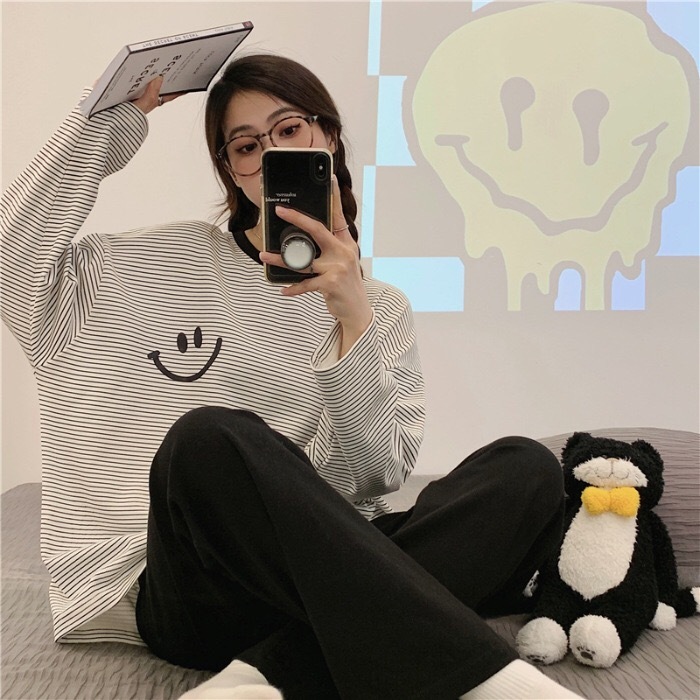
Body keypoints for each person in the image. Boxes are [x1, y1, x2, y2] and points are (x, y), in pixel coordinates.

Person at [0, 52, 581, 700]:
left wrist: (352, 322)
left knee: (527, 471)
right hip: (189, 587)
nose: (271, 154)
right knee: (209, 440)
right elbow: (7, 256)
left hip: (314, 573)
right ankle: (492, 678)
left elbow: (372, 478)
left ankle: (267, 673)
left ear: (327, 136)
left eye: (289, 130)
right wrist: (106, 124)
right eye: (247, 146)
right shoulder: (126, 268)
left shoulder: (378, 307)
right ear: (230, 169)